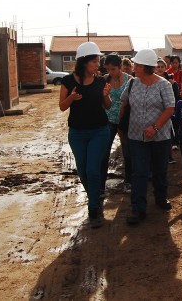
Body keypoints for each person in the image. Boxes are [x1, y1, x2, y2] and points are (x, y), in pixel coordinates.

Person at [59, 41, 112, 228]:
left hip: (99, 131)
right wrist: (71, 98)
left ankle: (93, 208)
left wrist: (106, 95)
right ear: (83, 62)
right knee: (82, 170)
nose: (98, 65)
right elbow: (62, 106)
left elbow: (108, 106)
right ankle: (94, 197)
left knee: (92, 169)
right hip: (77, 133)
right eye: (94, 62)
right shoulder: (68, 81)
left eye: (98, 61)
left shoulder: (101, 81)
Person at [120, 49, 175, 225]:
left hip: (160, 137)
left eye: (137, 64)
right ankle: (138, 208)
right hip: (136, 136)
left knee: (159, 170)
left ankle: (160, 198)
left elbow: (170, 108)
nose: (134, 67)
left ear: (145, 67)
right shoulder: (131, 83)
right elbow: (124, 102)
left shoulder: (163, 85)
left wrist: (155, 127)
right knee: (139, 172)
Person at [102, 54, 133, 193]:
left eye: (113, 69)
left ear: (120, 67)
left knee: (127, 152)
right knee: (103, 152)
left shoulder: (130, 80)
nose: (110, 72)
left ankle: (129, 182)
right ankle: (101, 184)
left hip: (125, 120)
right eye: (108, 69)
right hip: (108, 119)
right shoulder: (104, 80)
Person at [155, 58, 179, 164]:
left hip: (168, 113)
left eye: (162, 67)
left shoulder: (172, 83)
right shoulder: (150, 82)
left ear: (165, 68)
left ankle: (168, 157)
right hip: (154, 113)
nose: (160, 69)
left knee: (167, 135)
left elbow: (176, 98)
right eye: (158, 66)